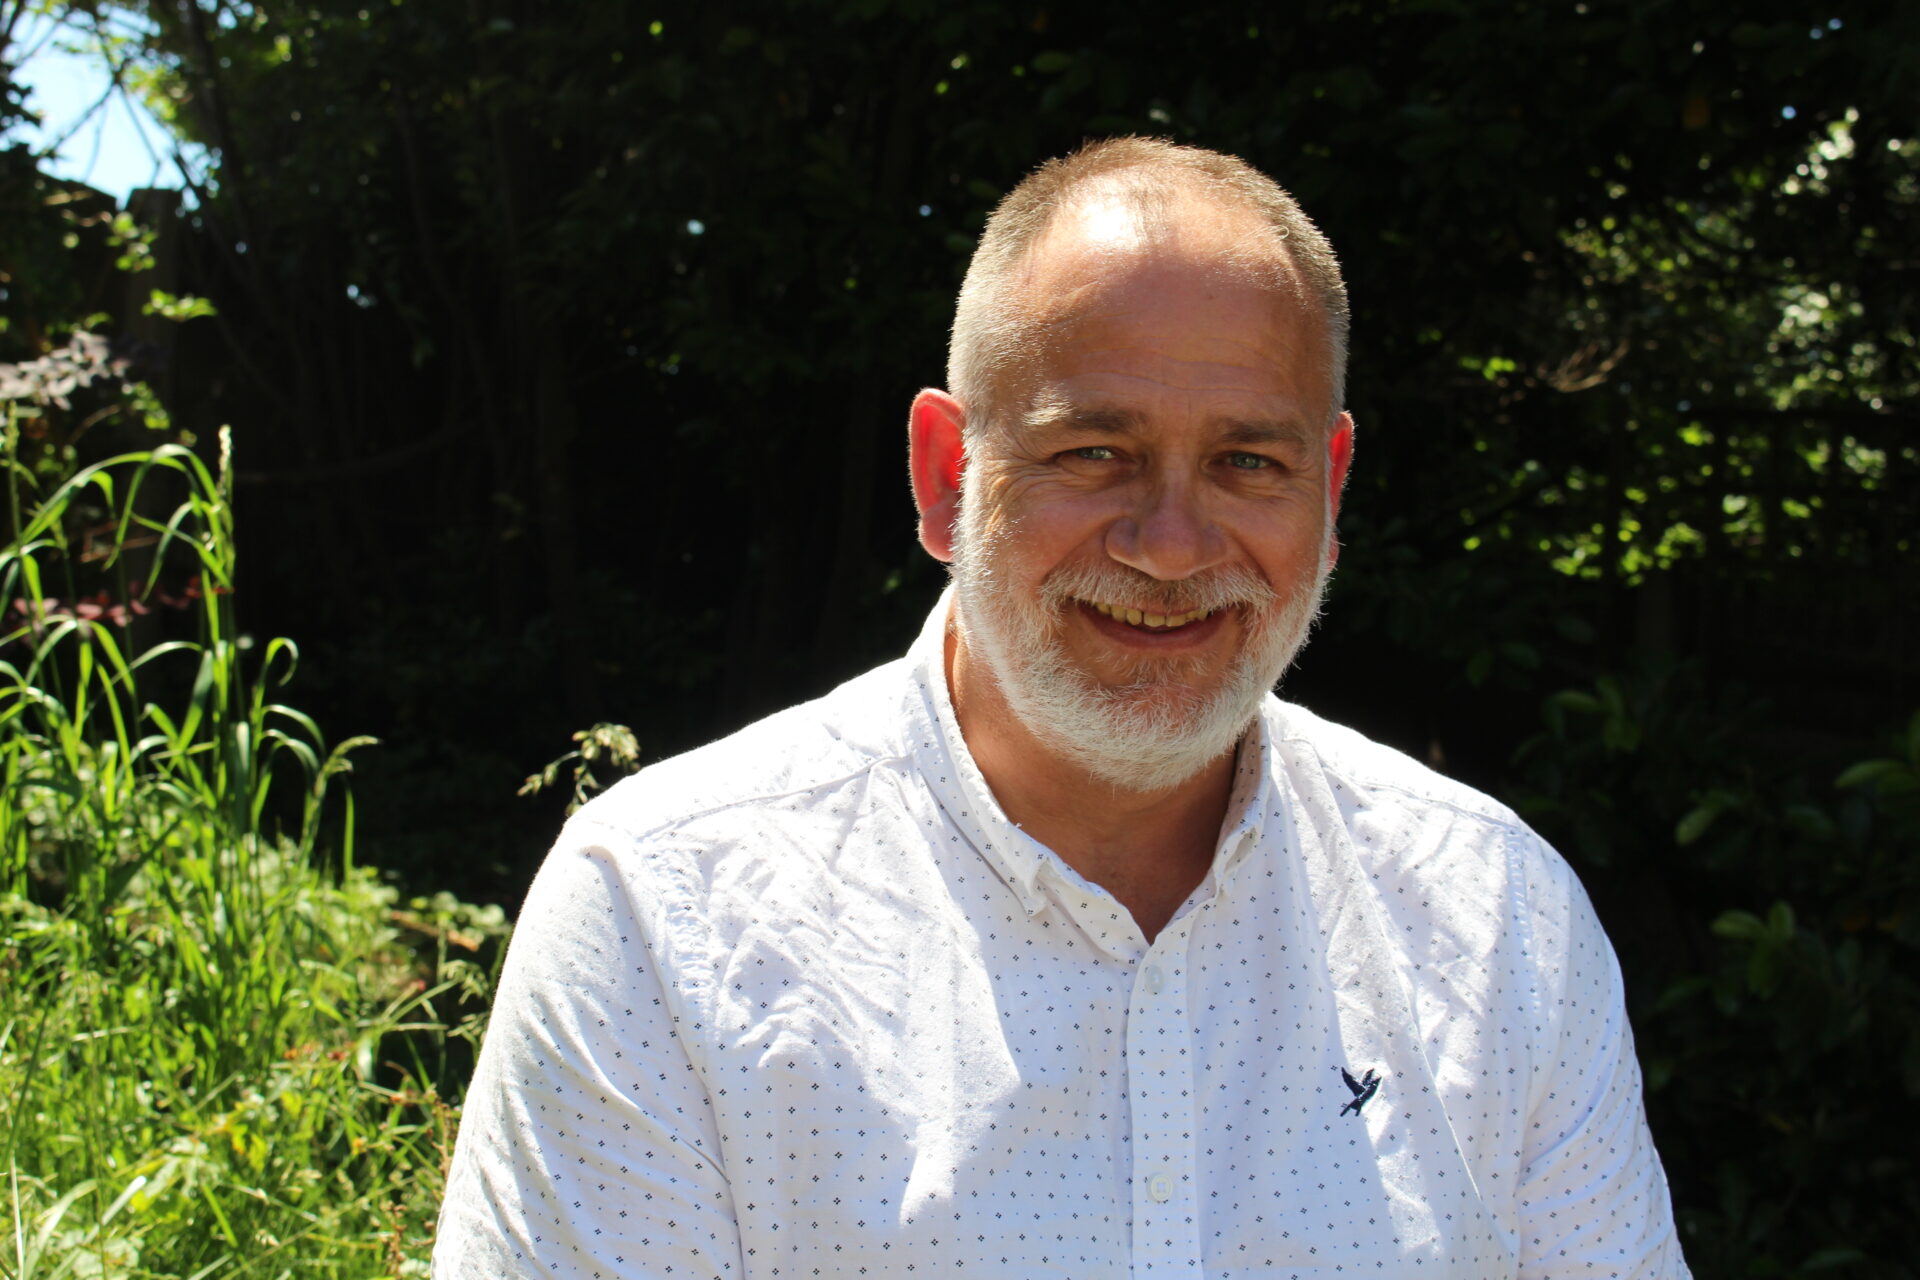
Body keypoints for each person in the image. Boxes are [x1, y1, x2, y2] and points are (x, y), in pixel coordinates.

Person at [434, 138, 1689, 1278]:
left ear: (1331, 490)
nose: (1170, 542)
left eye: (1249, 461)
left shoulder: (1499, 922)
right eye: (1095, 451)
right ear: (945, 476)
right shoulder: (665, 917)